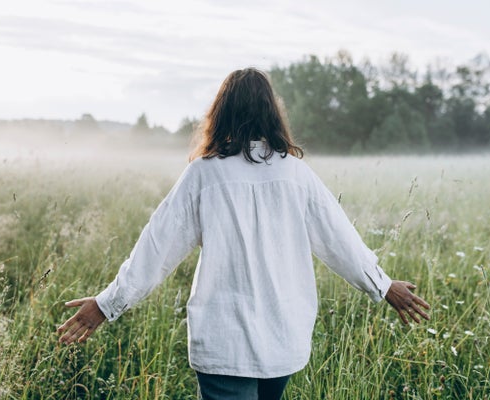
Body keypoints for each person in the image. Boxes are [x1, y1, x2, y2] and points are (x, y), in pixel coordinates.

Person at [57, 68, 430, 399]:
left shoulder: (204, 175)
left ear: (221, 114)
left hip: (225, 345)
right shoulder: (296, 174)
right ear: (272, 113)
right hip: (282, 342)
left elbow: (156, 248)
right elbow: (341, 241)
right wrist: (382, 285)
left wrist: (106, 306)